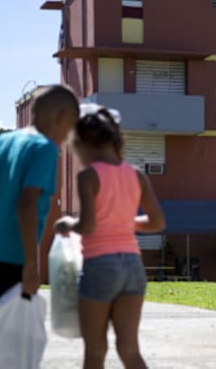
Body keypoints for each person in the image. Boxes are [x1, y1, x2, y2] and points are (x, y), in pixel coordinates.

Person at [0, 84, 80, 351]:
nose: (70, 135)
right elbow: (27, 204)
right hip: (12, 258)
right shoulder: (45, 149)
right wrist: (31, 264)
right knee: (11, 347)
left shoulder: (1, 142)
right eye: (71, 126)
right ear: (61, 118)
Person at [55, 105, 165, 369]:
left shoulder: (88, 176)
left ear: (84, 144)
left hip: (100, 266)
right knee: (129, 349)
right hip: (133, 266)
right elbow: (157, 222)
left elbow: (88, 227)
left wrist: (67, 223)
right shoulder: (136, 174)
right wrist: (126, 224)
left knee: (95, 351)